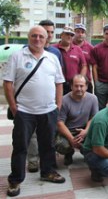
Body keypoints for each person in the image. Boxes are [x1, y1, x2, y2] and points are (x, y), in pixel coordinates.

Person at [3, 26, 66, 197]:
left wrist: (58, 106)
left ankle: (48, 172)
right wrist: (14, 108)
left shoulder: (52, 58)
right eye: (34, 36)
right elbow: (8, 83)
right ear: (28, 37)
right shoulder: (17, 57)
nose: (37, 39)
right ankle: (15, 180)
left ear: (47, 39)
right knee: (20, 147)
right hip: (24, 111)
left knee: (48, 145)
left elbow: (59, 83)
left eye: (41, 36)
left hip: (48, 111)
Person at [27, 20, 63, 173]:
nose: (48, 35)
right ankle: (33, 161)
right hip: (28, 105)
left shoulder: (55, 53)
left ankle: (47, 163)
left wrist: (58, 104)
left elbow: (58, 80)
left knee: (48, 134)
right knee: (32, 135)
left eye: (51, 32)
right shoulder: (24, 52)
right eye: (45, 32)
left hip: (49, 104)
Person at [56, 74, 99, 166]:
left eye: (81, 86)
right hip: (69, 131)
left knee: (98, 140)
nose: (79, 88)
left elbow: (94, 118)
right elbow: (60, 123)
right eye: (76, 86)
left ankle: (87, 153)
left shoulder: (93, 99)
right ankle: (69, 153)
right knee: (61, 145)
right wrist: (71, 139)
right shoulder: (64, 100)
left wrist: (86, 131)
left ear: (86, 86)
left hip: (85, 129)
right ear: (71, 86)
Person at [54, 26, 87, 95]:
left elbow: (84, 66)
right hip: (56, 84)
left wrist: (80, 80)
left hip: (73, 86)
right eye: (67, 34)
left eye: (72, 35)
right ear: (61, 35)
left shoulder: (77, 49)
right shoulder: (53, 49)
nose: (69, 37)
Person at [73, 23, 94, 93]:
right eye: (78, 32)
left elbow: (94, 65)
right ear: (74, 33)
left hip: (86, 81)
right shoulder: (69, 46)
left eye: (82, 32)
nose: (80, 34)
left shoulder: (90, 48)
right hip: (72, 82)